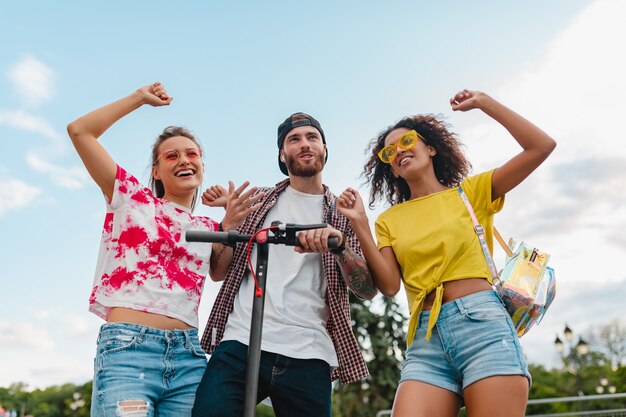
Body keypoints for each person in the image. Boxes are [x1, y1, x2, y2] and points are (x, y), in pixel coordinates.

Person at [336, 90, 557, 417]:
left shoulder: (472, 192)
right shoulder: (389, 220)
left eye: (407, 141)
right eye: (390, 152)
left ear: (431, 148)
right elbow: (389, 286)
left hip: (482, 326)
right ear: (392, 170)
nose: (399, 151)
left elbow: (541, 146)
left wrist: (484, 102)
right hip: (426, 340)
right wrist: (360, 225)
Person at [67, 82, 261, 417]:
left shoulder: (207, 226)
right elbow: (80, 131)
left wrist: (228, 225)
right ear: (156, 171)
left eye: (192, 154)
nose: (184, 160)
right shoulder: (131, 199)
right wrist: (139, 99)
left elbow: (218, 272)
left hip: (188, 357)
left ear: (201, 164)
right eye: (172, 155)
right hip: (130, 348)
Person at [191, 112, 378, 417]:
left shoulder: (343, 215)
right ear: (282, 153)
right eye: (294, 139)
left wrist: (340, 246)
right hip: (241, 342)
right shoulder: (257, 202)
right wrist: (228, 222)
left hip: (309, 351)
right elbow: (218, 272)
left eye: (312, 137)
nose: (304, 144)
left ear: (325, 148)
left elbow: (367, 289)